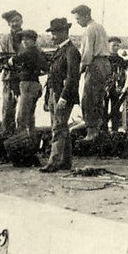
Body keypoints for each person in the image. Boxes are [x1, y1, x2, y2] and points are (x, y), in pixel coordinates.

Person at [40, 18, 81, 173]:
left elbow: (72, 77)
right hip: (54, 93)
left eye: (55, 33)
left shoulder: (71, 51)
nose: (52, 36)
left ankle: (54, 162)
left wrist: (63, 97)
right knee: (61, 127)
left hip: (63, 95)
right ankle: (65, 161)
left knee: (58, 127)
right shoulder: (61, 50)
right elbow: (52, 76)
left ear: (64, 32)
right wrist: (47, 97)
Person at [71, 4, 111, 141]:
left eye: (78, 19)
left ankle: (91, 132)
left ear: (86, 16)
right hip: (105, 64)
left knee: (89, 99)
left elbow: (87, 56)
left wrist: (78, 73)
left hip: (95, 65)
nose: (77, 22)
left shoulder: (89, 30)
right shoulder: (100, 27)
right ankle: (96, 129)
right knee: (98, 99)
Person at [8, 29, 48, 134]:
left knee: (22, 118)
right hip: (35, 84)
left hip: (28, 85)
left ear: (34, 41)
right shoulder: (39, 52)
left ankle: (21, 142)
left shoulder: (29, 52)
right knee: (30, 116)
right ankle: (31, 139)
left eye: (28, 39)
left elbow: (14, 60)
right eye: (23, 39)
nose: (24, 41)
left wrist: (10, 60)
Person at [0, 10, 24, 137]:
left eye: (17, 21)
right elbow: (1, 59)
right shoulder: (4, 39)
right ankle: (7, 135)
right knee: (8, 109)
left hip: (25, 78)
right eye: (12, 22)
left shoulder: (28, 37)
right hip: (9, 78)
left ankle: (23, 136)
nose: (15, 24)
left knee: (25, 110)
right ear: (9, 24)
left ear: (22, 21)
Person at [104, 37, 128, 132]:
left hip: (115, 88)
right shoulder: (104, 58)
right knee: (103, 110)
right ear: (108, 45)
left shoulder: (120, 60)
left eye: (117, 45)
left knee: (116, 110)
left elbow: (123, 75)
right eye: (113, 45)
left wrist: (120, 86)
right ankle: (104, 131)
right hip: (104, 88)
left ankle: (115, 130)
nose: (115, 47)